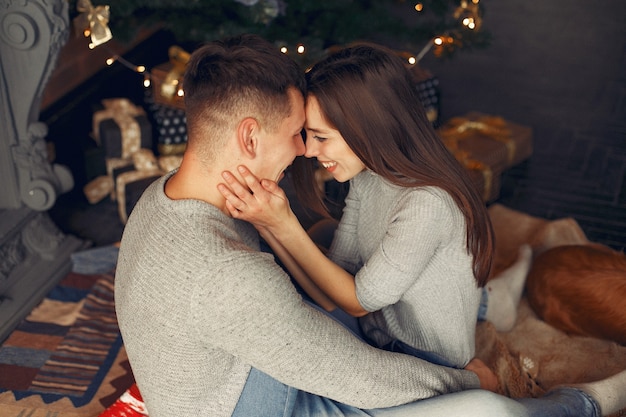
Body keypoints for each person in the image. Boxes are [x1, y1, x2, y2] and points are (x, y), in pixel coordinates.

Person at [115, 34, 626, 417]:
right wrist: (465, 381)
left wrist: (282, 227)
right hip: (272, 398)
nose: (303, 151)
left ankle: (491, 301)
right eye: (297, 133)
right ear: (249, 138)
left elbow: (337, 295)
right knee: (484, 412)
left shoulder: (158, 198)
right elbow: (358, 374)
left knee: (324, 250)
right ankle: (586, 402)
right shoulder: (229, 278)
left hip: (242, 365)